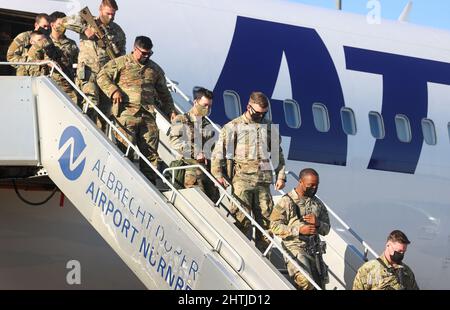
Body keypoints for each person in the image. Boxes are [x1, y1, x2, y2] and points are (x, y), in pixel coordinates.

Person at [211, 91, 286, 252]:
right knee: (241, 220)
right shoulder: (233, 126)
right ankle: (239, 257)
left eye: (263, 113)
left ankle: (265, 261)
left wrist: (281, 175)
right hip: (242, 181)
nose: (260, 116)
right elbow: (219, 152)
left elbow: (277, 154)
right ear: (248, 107)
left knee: (266, 225)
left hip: (263, 182)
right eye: (257, 112)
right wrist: (217, 175)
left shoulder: (269, 128)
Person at [97, 36, 177, 184]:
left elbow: (164, 93)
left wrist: (170, 110)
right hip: (126, 113)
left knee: (151, 153)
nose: (146, 56)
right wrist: (113, 90)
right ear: (135, 49)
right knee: (124, 150)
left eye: (149, 54)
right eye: (143, 53)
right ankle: (120, 182)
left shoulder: (155, 69)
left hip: (147, 115)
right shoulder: (121, 62)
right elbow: (102, 76)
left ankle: (150, 184)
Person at [64, 0, 126, 129]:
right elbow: (63, 22)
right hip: (88, 72)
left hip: (106, 75)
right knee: (90, 104)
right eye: (108, 13)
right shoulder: (86, 20)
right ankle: (86, 133)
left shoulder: (117, 31)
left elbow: (121, 55)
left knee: (106, 110)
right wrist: (85, 29)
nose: (111, 17)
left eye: (113, 14)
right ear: (100, 9)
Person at [270, 168, 330, 290]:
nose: (313, 188)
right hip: (295, 248)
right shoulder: (287, 201)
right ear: (301, 182)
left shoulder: (317, 204)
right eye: (310, 185)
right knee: (305, 282)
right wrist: (298, 230)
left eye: (316, 185)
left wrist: (318, 223)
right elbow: (274, 226)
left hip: (314, 250)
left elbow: (327, 229)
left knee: (319, 285)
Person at [169, 87, 219, 201]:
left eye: (209, 106)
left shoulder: (207, 126)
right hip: (189, 169)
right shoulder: (181, 120)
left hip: (204, 171)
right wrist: (195, 153)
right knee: (198, 200)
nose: (207, 109)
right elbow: (175, 142)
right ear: (195, 102)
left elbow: (211, 151)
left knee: (213, 199)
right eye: (204, 105)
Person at [353, 230, 419, 290]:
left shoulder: (407, 272)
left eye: (404, 252)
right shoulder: (369, 269)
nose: (401, 254)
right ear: (388, 245)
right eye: (399, 251)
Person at [46, 11, 79, 103]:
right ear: (52, 25)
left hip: (69, 85)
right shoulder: (44, 41)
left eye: (65, 23)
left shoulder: (71, 43)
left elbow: (78, 62)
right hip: (50, 84)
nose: (64, 26)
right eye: (61, 23)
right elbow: (32, 60)